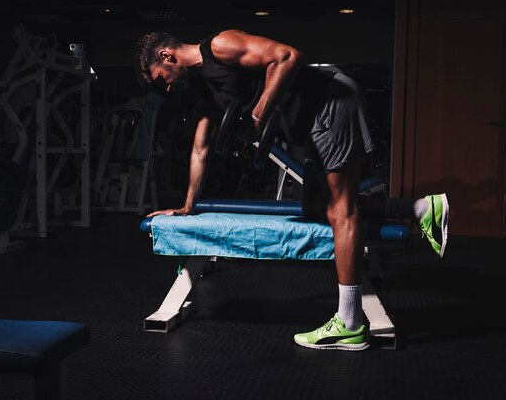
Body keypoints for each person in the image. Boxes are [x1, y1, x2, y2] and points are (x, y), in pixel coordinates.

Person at [134, 30, 449, 351]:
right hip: (309, 123)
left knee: (342, 210)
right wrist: (187, 206)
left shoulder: (220, 45)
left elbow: (287, 56)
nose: (168, 88)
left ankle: (350, 323)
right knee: (316, 208)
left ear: (167, 56)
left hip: (328, 100)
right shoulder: (205, 89)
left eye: (162, 80)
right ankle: (420, 209)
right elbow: (201, 148)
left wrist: (257, 117)